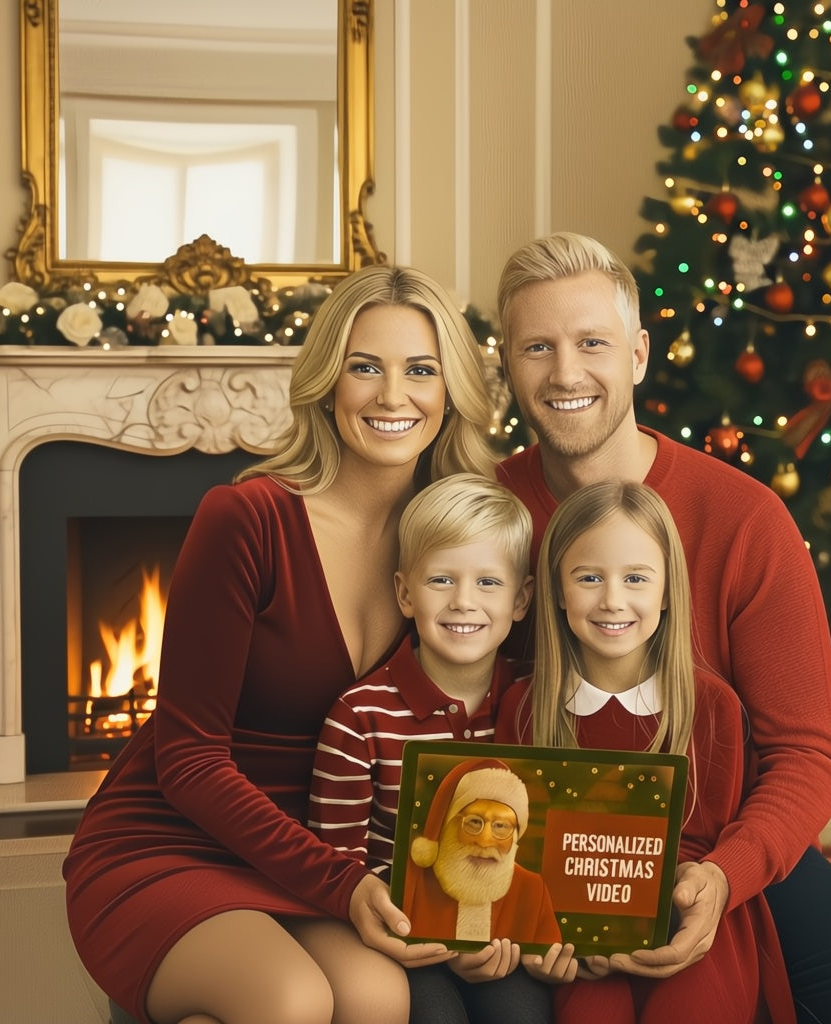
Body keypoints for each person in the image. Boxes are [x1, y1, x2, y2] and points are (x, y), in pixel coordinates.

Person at [493, 231, 831, 1024]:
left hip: (720, 837)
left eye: (591, 343)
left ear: (637, 355)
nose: (565, 373)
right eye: (537, 347)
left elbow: (808, 756)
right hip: (551, 853)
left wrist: (726, 878)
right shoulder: (487, 516)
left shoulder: (745, 518)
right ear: (506, 363)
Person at [63, 264, 500, 1024]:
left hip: (316, 848)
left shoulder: (459, 549)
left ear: (451, 391)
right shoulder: (247, 518)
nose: (393, 395)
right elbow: (188, 758)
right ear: (329, 384)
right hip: (172, 837)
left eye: (420, 370)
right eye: (365, 367)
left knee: (377, 998)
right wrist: (343, 885)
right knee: (289, 1000)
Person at [497, 480, 795, 1022]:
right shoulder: (524, 707)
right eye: (589, 578)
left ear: (666, 590)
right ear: (558, 591)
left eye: (636, 578)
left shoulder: (710, 705)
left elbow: (701, 845)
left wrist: (654, 915)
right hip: (568, 933)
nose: (613, 599)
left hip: (687, 918)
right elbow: (521, 852)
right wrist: (537, 942)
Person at [307, 474, 555, 1024]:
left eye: (488, 583)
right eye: (441, 579)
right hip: (397, 940)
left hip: (501, 942)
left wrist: (506, 942)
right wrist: (422, 929)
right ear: (404, 593)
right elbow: (336, 863)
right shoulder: (359, 717)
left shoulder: (535, 705)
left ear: (521, 600)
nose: (463, 601)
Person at [402, 755, 562, 949]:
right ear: (446, 824)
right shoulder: (411, 879)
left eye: (501, 826)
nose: (485, 841)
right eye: (474, 822)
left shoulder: (531, 888)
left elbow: (549, 954)